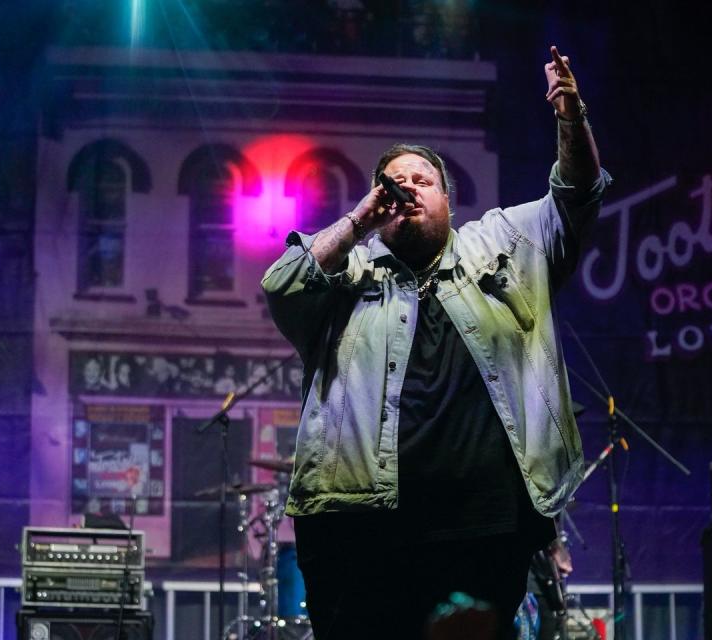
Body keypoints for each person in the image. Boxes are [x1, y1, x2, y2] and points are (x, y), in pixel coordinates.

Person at [261, 45, 610, 640]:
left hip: (484, 524)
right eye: (391, 184)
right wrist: (356, 223)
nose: (407, 190)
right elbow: (282, 283)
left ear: (449, 200)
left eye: (422, 180)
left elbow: (577, 193)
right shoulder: (349, 272)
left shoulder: (503, 242)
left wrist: (570, 116)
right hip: (358, 528)